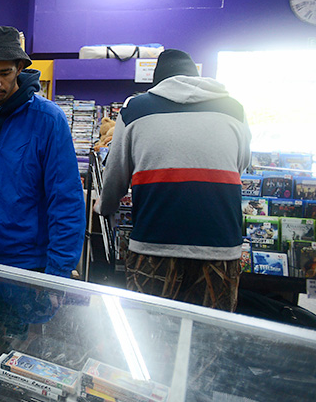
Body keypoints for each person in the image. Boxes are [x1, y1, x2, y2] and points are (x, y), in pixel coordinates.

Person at [96, 49, 251, 310]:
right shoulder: (234, 109)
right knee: (209, 337)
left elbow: (116, 176)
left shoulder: (135, 110)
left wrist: (104, 207)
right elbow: (241, 165)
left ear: (157, 83)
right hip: (220, 245)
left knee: (149, 335)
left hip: (154, 244)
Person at [0, 26, 85, 276]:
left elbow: (66, 200)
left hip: (31, 265)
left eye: (5, 73)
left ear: (20, 68)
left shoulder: (48, 119)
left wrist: (59, 271)